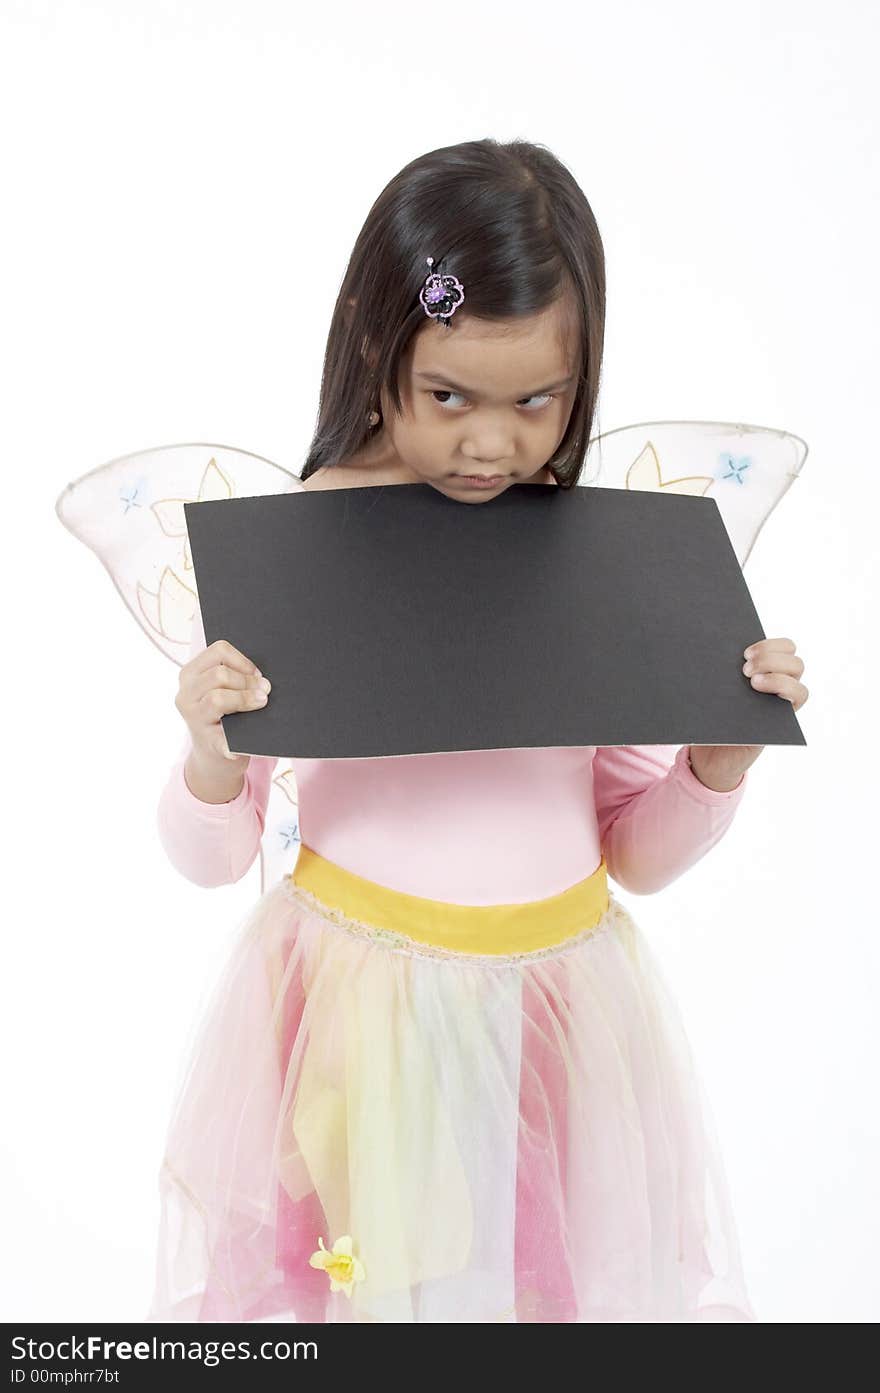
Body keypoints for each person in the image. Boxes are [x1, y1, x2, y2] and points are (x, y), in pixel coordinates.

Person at [147, 138, 809, 1323]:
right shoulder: (303, 549)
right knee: (362, 1293)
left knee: (527, 1299)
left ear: (581, 373)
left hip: (553, 1014)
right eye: (448, 394)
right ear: (375, 346)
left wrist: (720, 755)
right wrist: (209, 750)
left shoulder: (587, 565)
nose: (491, 444)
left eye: (534, 401)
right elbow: (208, 858)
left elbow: (637, 859)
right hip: (362, 1008)